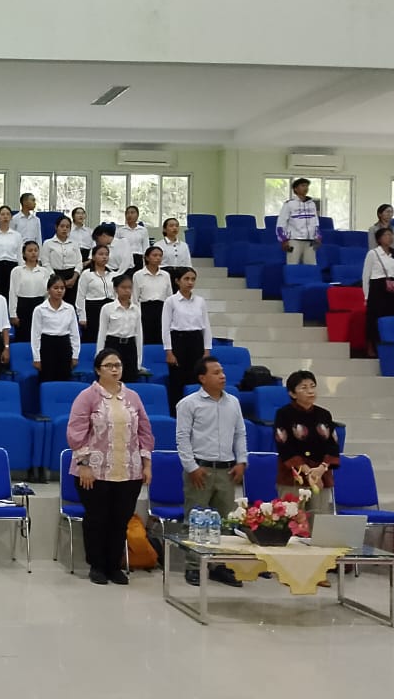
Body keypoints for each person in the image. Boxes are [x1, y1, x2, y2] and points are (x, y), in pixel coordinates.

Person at [66, 348, 154, 585]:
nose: (115, 370)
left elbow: (145, 431)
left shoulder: (133, 397)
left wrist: (146, 464)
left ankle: (114, 566)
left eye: (118, 365)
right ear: (98, 370)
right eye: (109, 366)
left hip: (128, 471)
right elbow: (76, 432)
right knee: (97, 519)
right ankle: (97, 565)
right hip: (94, 471)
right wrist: (84, 464)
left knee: (120, 520)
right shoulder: (87, 396)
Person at [175, 356, 247, 587]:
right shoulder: (188, 404)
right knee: (195, 520)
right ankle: (194, 566)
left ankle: (221, 566)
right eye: (216, 372)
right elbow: (182, 438)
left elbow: (240, 434)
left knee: (226, 522)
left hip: (227, 470)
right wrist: (191, 467)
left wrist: (242, 461)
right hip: (200, 470)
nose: (222, 376)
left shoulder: (233, 402)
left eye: (222, 371)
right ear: (202, 378)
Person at [273, 370, 340, 516]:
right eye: (304, 388)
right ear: (292, 393)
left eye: (312, 386)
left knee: (319, 521)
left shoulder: (324, 414)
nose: (310, 391)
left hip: (321, 477)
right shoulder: (283, 414)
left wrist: (321, 469)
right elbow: (284, 446)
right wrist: (307, 471)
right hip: (293, 477)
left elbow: (333, 444)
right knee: (292, 520)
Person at [162, 268, 212, 407]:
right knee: (177, 379)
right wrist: (169, 351)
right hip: (178, 340)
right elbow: (165, 328)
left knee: (196, 377)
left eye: (193, 279)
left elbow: (206, 326)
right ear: (178, 281)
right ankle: (176, 410)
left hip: (196, 340)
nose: (190, 282)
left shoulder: (200, 301)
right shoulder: (171, 301)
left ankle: (197, 408)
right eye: (186, 279)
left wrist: (207, 349)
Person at [31, 274, 80, 383]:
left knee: (64, 379)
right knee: (47, 378)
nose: (59, 291)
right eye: (56, 288)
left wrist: (75, 355)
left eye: (62, 288)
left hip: (64, 345)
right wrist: (36, 358)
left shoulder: (70, 309)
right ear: (48, 290)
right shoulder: (40, 309)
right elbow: (35, 335)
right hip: (47, 345)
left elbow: (75, 334)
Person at [362, 226, 394, 356]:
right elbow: (366, 276)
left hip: (393, 288)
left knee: (393, 317)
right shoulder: (373, 253)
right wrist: (366, 296)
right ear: (379, 239)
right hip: (377, 288)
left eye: (391, 235)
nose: (389, 237)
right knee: (375, 318)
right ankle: (372, 346)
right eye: (386, 235)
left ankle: (391, 346)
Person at [97, 274, 144, 383]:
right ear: (115, 289)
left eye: (129, 287)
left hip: (130, 346)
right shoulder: (107, 308)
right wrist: (99, 356)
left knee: (130, 379)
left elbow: (139, 334)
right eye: (123, 287)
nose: (127, 291)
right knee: (111, 379)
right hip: (113, 344)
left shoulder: (136, 309)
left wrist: (139, 359)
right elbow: (102, 333)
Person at [9, 241, 52, 344]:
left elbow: (48, 294)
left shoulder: (44, 271)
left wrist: (48, 310)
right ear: (24, 254)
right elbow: (13, 293)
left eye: (36, 250)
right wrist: (13, 314)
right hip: (23, 305)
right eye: (30, 250)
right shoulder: (17, 271)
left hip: (39, 304)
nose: (33, 253)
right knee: (23, 337)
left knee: (39, 337)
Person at [75, 245, 117, 341]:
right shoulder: (87, 274)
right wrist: (82, 316)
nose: (104, 257)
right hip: (93, 308)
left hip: (110, 307)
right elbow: (81, 296)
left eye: (106, 254)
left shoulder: (113, 274)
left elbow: (116, 294)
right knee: (94, 337)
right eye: (101, 254)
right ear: (93, 257)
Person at [134, 246, 172, 344]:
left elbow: (169, 295)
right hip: (145, 308)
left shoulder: (166, 275)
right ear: (147, 257)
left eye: (160, 256)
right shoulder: (138, 275)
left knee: (161, 336)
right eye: (155, 255)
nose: (158, 258)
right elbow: (135, 297)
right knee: (146, 337)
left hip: (162, 308)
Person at [279, 178, 321, 265]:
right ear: (295, 189)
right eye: (303, 186)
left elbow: (315, 222)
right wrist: (283, 240)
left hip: (310, 241)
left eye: (307, 186)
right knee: (292, 265)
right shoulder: (289, 204)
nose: (306, 188)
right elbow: (281, 223)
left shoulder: (312, 204)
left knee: (311, 266)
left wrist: (318, 236)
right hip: (294, 240)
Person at [42, 215, 81, 306]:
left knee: (71, 304)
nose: (65, 229)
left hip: (72, 276)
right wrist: (55, 278)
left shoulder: (74, 243)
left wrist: (74, 278)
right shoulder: (48, 243)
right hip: (54, 275)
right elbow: (45, 262)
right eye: (62, 226)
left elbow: (79, 262)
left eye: (67, 227)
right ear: (56, 227)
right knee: (55, 302)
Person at [115, 205, 148, 270]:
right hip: (125, 258)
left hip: (138, 258)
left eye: (132, 213)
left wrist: (146, 263)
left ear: (137, 215)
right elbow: (116, 246)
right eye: (127, 213)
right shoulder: (120, 230)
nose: (129, 215)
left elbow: (146, 247)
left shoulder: (143, 230)